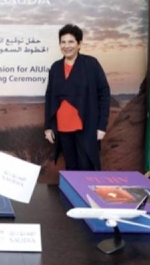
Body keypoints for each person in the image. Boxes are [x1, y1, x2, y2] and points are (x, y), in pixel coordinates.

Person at [44, 24, 110, 171]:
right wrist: (48, 127)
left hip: (86, 127)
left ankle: (87, 195)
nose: (67, 46)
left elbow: (104, 94)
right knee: (71, 168)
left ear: (79, 44)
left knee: (86, 167)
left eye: (71, 42)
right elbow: (49, 98)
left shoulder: (91, 64)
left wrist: (101, 126)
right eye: (63, 42)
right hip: (63, 128)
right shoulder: (55, 67)